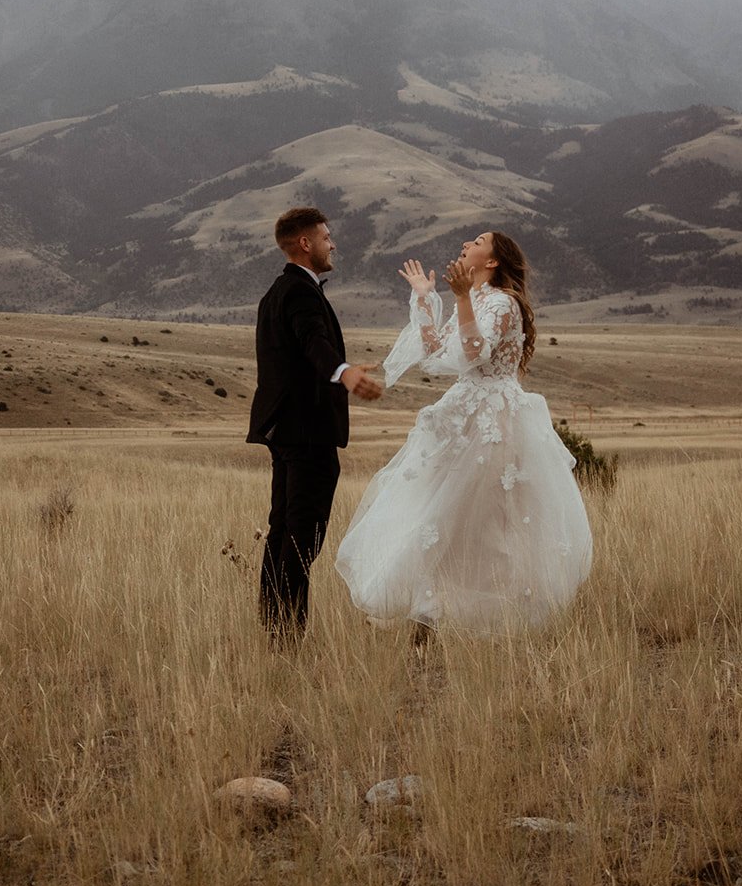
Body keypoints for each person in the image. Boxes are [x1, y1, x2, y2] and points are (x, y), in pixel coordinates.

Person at [335, 231, 592, 635]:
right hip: (459, 415)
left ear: (493, 261)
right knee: (435, 511)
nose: (466, 244)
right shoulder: (473, 301)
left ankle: (462, 616)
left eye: (477, 240)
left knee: (482, 520)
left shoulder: (503, 303)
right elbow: (439, 353)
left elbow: (476, 352)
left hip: (493, 420)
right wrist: (424, 296)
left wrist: (459, 298)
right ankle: (428, 612)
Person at [247, 206, 383, 641]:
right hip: (307, 434)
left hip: (285, 431)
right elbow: (314, 340)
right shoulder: (302, 294)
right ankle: (287, 636)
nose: (333, 243)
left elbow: (300, 353)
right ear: (305, 243)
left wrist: (338, 368)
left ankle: (275, 630)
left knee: (283, 530)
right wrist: (343, 372)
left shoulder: (276, 292)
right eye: (326, 236)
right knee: (303, 536)